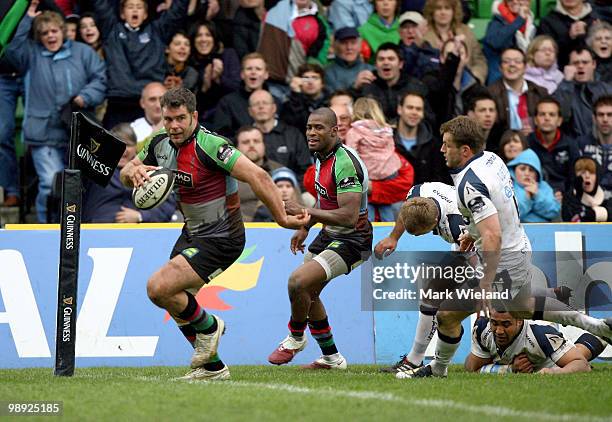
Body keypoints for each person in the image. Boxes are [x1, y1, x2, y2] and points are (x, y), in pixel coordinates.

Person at [396, 116, 612, 379]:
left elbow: (493, 235)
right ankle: (599, 327)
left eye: (447, 145)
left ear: (465, 150)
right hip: (518, 246)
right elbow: (499, 209)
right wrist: (471, 233)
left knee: (446, 315)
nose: (442, 150)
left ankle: (438, 370)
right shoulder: (492, 159)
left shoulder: (469, 184)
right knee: (521, 308)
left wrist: (486, 282)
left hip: (503, 261)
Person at [120, 88, 308, 380]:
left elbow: (258, 176)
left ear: (194, 116)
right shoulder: (159, 142)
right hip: (192, 232)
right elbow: (128, 168)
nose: (174, 126)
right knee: (172, 299)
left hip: (223, 236)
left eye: (181, 118)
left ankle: (210, 327)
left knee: (158, 287)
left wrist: (282, 217)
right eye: (168, 119)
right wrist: (132, 173)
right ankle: (212, 368)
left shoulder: (211, 146)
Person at [267, 107, 372, 370]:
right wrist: (307, 225)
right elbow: (324, 200)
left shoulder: (345, 162)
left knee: (298, 281)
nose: (312, 133)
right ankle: (332, 359)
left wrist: (304, 212)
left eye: (319, 128)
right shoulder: (320, 155)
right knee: (306, 292)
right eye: (309, 127)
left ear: (335, 131)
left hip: (354, 239)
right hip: (330, 233)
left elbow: (348, 216)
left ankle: (295, 336)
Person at [6, 7, 107, 223]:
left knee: (77, 187)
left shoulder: (83, 52)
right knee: (50, 183)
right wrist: (26, 20)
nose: (50, 36)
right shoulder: (30, 54)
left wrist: (85, 97)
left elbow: (100, 79)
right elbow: (11, 50)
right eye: (44, 33)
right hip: (43, 134)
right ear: (39, 36)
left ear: (63, 31)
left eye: (54, 31)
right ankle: (47, 228)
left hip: (77, 133)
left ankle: (72, 229)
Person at [374, 181, 469, 373]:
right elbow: (406, 212)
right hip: (464, 248)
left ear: (435, 223)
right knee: (431, 295)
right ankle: (414, 361)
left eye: (419, 234)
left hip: (489, 249)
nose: (415, 237)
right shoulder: (416, 194)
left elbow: (477, 258)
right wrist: (393, 237)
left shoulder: (456, 225)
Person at [93, 0, 189, 129]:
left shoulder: (158, 31)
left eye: (139, 7)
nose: (134, 10)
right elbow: (101, 5)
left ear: (145, 14)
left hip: (151, 105)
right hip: (119, 102)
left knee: (153, 148)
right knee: (113, 147)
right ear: (122, 13)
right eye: (130, 7)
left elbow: (177, 12)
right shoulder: (111, 29)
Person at [83, 123, 176, 223]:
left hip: (136, 233)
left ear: (136, 147)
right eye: (118, 144)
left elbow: (167, 207)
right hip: (95, 231)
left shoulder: (150, 170)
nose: (123, 150)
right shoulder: (93, 167)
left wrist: (141, 216)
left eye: (128, 145)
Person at [465, 310, 606, 374]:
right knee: (576, 351)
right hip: (524, 359)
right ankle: (603, 335)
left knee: (577, 355)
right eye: (494, 323)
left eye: (506, 324)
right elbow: (471, 369)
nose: (499, 331)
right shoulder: (483, 328)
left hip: (549, 360)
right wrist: (510, 369)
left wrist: (552, 373)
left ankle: (603, 335)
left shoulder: (541, 334)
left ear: (520, 320)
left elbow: (582, 365)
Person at [345, 97, 402, 222]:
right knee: (386, 206)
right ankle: (388, 233)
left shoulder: (354, 131)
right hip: (388, 173)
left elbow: (350, 155)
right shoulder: (387, 130)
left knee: (365, 207)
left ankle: (367, 234)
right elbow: (391, 149)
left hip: (366, 175)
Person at [248, 89, 312, 185]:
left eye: (265, 103)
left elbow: (305, 170)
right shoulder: (244, 138)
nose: (261, 107)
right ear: (250, 111)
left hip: (292, 189)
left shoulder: (293, 134)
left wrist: (292, 189)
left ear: (274, 108)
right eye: (256, 104)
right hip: (255, 192)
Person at [422, 0, 487, 84]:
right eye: (438, 8)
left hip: (467, 82)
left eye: (447, 8)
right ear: (432, 12)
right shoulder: (424, 35)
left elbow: (479, 60)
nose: (443, 12)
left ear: (453, 11)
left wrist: (475, 77)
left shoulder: (466, 31)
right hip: (437, 84)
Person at [360, 42, 428, 122]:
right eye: (381, 59)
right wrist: (355, 89)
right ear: (375, 64)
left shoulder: (415, 87)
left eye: (391, 59)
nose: (386, 62)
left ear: (400, 64)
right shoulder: (367, 86)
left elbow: (427, 119)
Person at [188, 20, 241, 122]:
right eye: (199, 35)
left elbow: (237, 88)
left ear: (214, 39)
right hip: (202, 120)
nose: (203, 39)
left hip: (229, 115)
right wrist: (204, 88)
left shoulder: (228, 55)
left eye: (208, 35)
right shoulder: (191, 64)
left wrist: (219, 79)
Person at [488, 47, 548, 135]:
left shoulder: (540, 92)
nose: (512, 64)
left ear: (525, 67)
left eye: (517, 61)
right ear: (500, 68)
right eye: (506, 61)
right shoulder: (490, 94)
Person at [554, 47, 612, 138]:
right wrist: (567, 83)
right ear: (569, 66)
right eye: (575, 63)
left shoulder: (608, 90)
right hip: (574, 146)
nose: (580, 66)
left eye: (585, 62)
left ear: (594, 64)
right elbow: (561, 116)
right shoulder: (563, 89)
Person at [527, 97, 579, 197]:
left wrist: (566, 196)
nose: (547, 118)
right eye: (542, 114)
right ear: (535, 120)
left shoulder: (571, 145)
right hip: (533, 195)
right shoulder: (527, 143)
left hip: (563, 198)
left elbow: (574, 178)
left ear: (559, 120)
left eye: (552, 114)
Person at [394, 90, 449, 184]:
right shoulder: (386, 140)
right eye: (410, 107)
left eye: (418, 109)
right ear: (399, 109)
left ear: (423, 113)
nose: (414, 112)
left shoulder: (434, 146)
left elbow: (439, 180)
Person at [211, 52, 271, 139]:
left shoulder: (275, 102)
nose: (253, 72)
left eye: (258, 69)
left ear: (266, 74)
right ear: (242, 74)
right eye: (249, 68)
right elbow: (220, 137)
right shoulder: (227, 103)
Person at [235, 126, 284, 221]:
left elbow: (297, 203)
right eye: (246, 142)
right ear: (237, 147)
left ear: (264, 145)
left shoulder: (281, 170)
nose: (251, 145)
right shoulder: (227, 175)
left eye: (256, 141)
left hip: (278, 227)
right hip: (241, 227)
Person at [483, 0, 536, 85]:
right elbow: (495, 42)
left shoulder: (531, 25)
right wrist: (519, 20)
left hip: (527, 75)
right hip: (500, 79)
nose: (515, 2)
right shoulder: (497, 22)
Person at [507, 148, 560, 222]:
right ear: (514, 170)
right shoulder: (508, 187)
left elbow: (554, 211)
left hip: (544, 231)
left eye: (531, 170)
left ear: (537, 174)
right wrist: (527, 198)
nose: (527, 173)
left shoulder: (544, 187)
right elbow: (509, 216)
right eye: (522, 169)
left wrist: (537, 195)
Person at [537, 0, 595, 68]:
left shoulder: (596, 20)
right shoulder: (547, 22)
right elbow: (544, 55)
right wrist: (569, 37)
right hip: (559, 72)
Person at [578, 95, 612, 198]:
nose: (605, 119)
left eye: (610, 115)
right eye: (601, 115)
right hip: (590, 202)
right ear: (594, 118)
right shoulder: (582, 144)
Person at [281, 63, 330, 132]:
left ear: (322, 83)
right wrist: (296, 94)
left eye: (315, 78)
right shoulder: (290, 103)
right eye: (306, 78)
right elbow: (300, 126)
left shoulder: (331, 102)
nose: (310, 82)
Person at [324, 27, 375, 93]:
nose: (349, 47)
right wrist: (354, 87)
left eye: (353, 43)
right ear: (335, 46)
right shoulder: (328, 73)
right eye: (344, 43)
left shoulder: (371, 70)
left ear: (360, 46)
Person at [562, 156, 612, 222]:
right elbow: (570, 220)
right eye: (582, 173)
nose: (587, 176)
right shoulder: (570, 197)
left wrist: (593, 214)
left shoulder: (607, 196)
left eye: (591, 173)